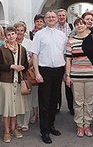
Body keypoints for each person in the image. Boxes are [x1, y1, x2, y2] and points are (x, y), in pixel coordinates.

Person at [31, 10, 67, 144]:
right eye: (48, 17)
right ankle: (44, 131)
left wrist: (65, 72)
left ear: (57, 19)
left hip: (58, 70)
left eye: (53, 17)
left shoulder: (62, 35)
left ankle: (51, 125)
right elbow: (34, 54)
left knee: (54, 101)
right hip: (44, 70)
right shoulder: (39, 35)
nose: (51, 19)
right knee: (44, 103)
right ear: (45, 20)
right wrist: (37, 73)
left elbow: (64, 54)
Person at [65, 18, 93, 137]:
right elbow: (68, 59)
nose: (79, 26)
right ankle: (80, 125)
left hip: (91, 74)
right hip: (76, 75)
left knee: (89, 101)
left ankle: (87, 124)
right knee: (78, 102)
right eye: (77, 24)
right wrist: (68, 75)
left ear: (86, 25)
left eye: (81, 24)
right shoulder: (71, 41)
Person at [0, 26, 29, 143]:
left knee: (15, 108)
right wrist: (11, 66)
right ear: (5, 36)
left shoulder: (22, 49)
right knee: (7, 107)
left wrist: (23, 67)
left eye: (13, 34)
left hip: (18, 81)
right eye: (8, 34)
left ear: (16, 35)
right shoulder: (2, 49)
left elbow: (26, 63)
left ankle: (13, 128)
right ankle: (6, 131)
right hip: (6, 81)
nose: (11, 36)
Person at [15, 21, 37, 131]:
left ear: (25, 32)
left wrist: (26, 66)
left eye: (21, 30)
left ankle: (25, 122)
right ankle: (18, 121)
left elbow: (33, 56)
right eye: (17, 30)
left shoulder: (29, 42)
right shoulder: (10, 41)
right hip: (14, 73)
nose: (19, 32)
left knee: (26, 96)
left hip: (26, 72)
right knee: (16, 98)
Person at [56, 8, 74, 115]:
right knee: (57, 84)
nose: (61, 17)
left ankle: (71, 107)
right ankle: (57, 105)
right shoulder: (54, 28)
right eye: (60, 15)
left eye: (63, 15)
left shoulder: (71, 27)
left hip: (69, 58)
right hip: (58, 58)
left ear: (66, 16)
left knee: (69, 83)